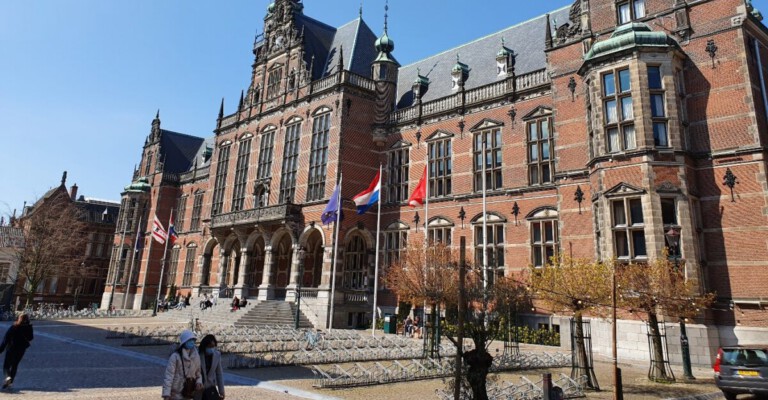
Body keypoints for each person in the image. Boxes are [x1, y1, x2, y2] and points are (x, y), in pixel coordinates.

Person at [162, 330, 203, 400]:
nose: (192, 342)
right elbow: (169, 376)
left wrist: (199, 382)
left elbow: (198, 373)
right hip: (175, 392)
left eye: (193, 340)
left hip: (189, 391)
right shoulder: (175, 356)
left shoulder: (196, 356)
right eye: (190, 340)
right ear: (184, 342)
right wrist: (166, 393)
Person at [0, 314, 33, 389]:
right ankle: (10, 383)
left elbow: (6, 339)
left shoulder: (14, 327)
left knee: (6, 366)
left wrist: (1, 349)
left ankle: (8, 377)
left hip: (11, 348)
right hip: (21, 349)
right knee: (15, 365)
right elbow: (31, 338)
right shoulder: (29, 327)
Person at [195, 335, 225, 400]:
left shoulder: (217, 355)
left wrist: (221, 391)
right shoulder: (197, 355)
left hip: (211, 389)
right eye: (209, 346)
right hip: (199, 388)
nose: (211, 349)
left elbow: (219, 374)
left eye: (213, 346)